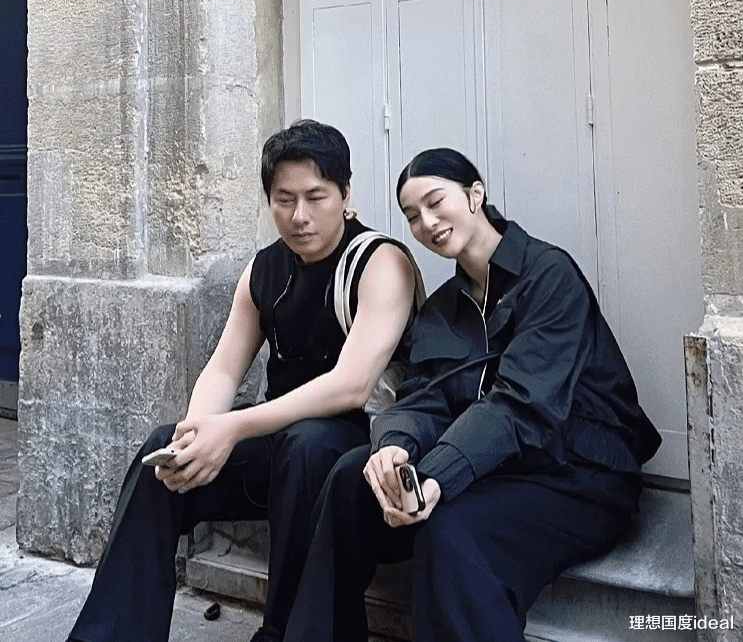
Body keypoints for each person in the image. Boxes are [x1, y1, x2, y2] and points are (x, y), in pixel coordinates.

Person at [282, 148, 662, 642]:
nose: (426, 223)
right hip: (495, 469)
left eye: (435, 202)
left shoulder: (548, 276)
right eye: (412, 216)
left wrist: (436, 475)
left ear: (474, 194)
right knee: (353, 477)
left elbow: (520, 406)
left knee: (451, 528)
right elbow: (421, 398)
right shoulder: (443, 308)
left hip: (578, 473)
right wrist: (393, 447)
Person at [66, 120, 421, 642]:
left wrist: (231, 428)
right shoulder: (264, 269)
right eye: (284, 200)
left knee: (307, 446)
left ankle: (282, 633)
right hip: (278, 442)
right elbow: (224, 368)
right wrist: (198, 433)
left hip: (353, 454)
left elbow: (352, 385)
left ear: (345, 194)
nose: (299, 216)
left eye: (315, 197)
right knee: (162, 454)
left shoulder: (381, 262)